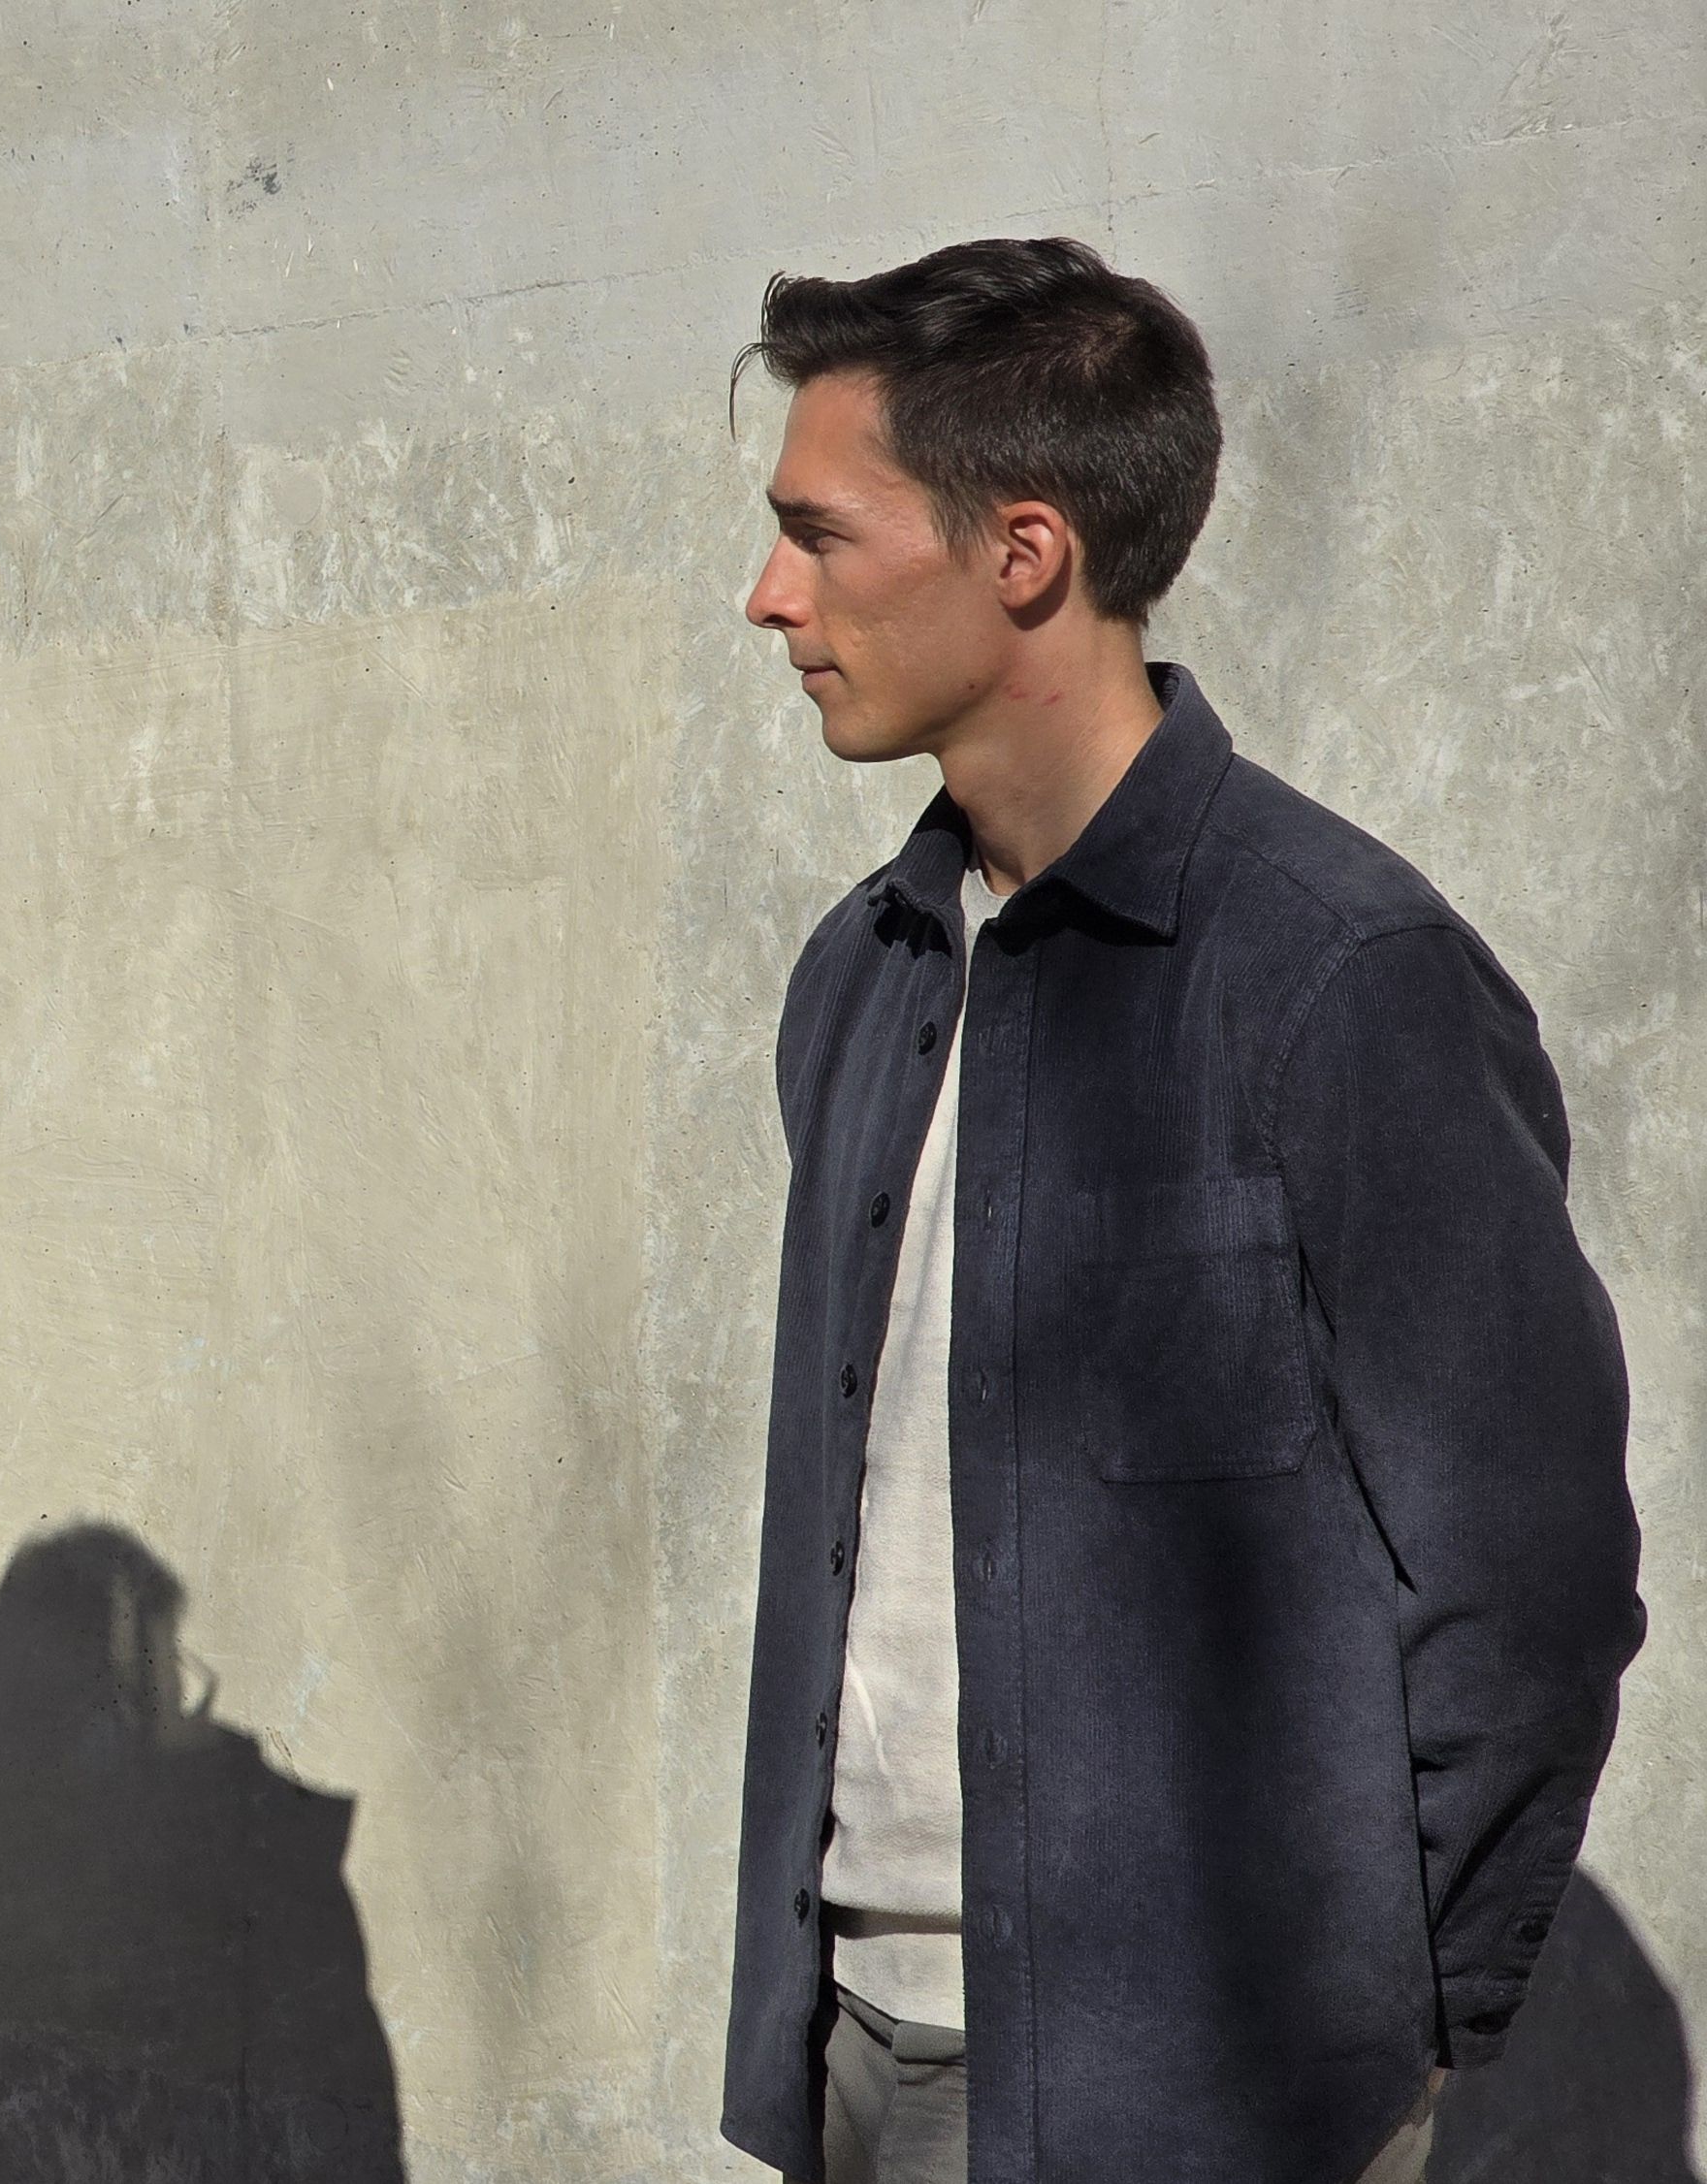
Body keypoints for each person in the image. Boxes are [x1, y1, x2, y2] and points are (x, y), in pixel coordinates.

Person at [717, 239, 1642, 2184]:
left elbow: (1523, 1573)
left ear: (1021, 552)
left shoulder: (1338, 973)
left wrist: (1374, 2041)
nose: (766, 596)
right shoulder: (860, 974)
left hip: (1207, 2102)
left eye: (816, 532)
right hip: (857, 2057)